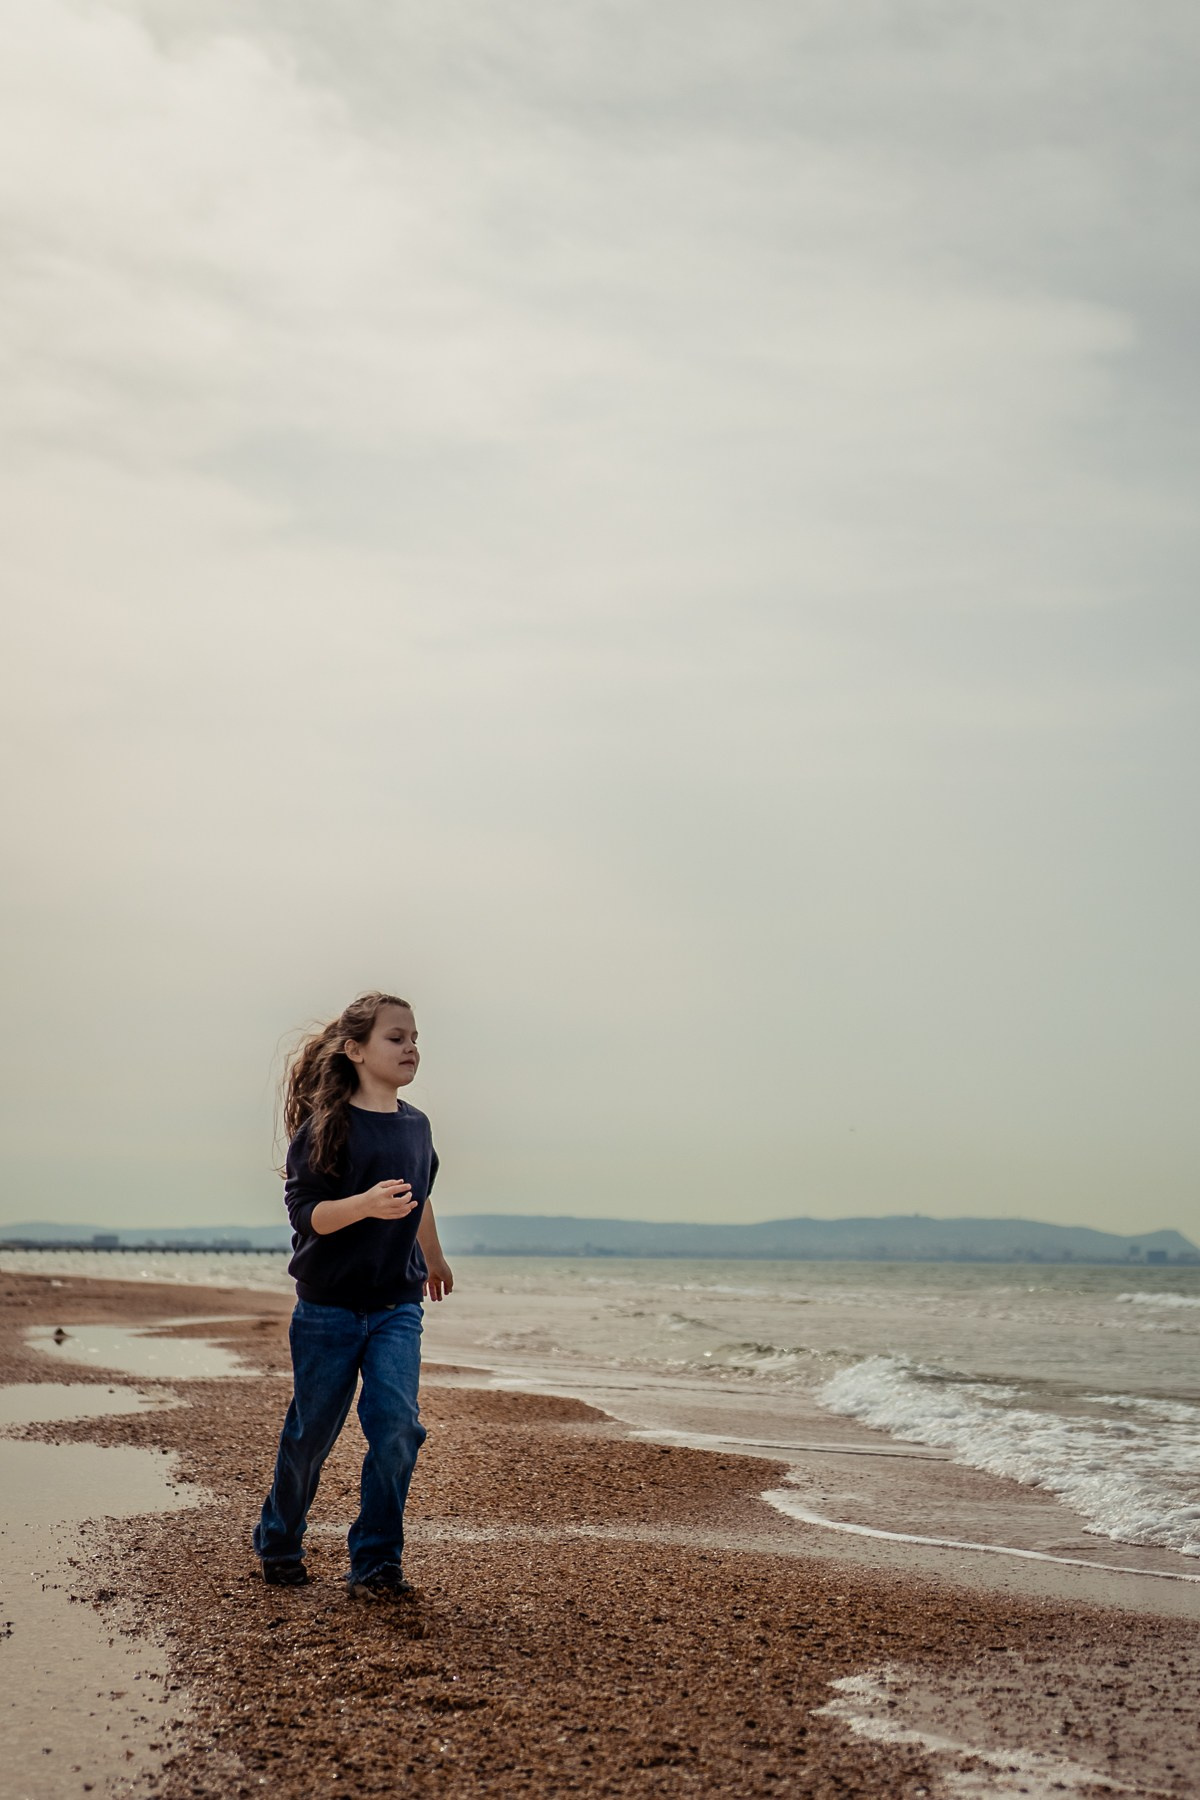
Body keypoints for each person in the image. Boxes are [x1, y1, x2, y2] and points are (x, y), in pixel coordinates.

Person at [252, 990, 453, 1598]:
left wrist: (435, 1257)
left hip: (397, 1305)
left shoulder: (417, 1126)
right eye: (396, 1038)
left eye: (415, 1037)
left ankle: (375, 1564)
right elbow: (307, 1216)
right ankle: (280, 1538)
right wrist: (365, 1206)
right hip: (327, 1310)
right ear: (355, 1050)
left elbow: (419, 1198)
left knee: (397, 1428)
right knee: (312, 1433)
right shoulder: (325, 1128)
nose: (411, 1047)